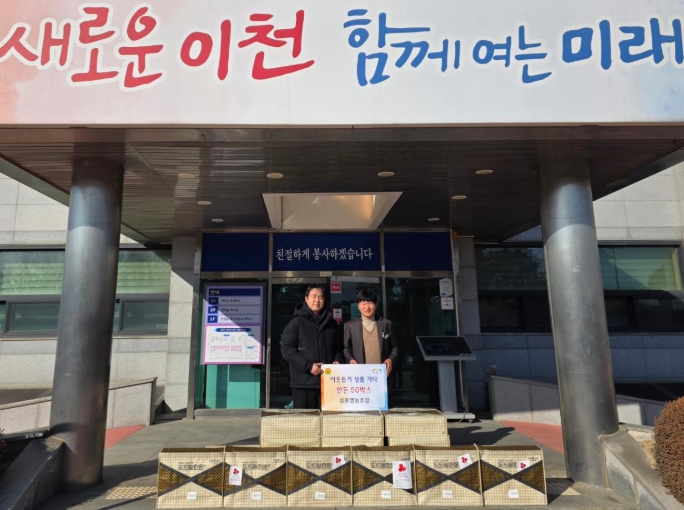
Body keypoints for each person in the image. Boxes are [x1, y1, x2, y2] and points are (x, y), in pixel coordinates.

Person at [281, 284, 344, 409]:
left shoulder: (331, 323)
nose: (317, 300)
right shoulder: (296, 322)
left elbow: (338, 346)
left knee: (328, 419)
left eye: (321, 297)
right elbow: (287, 349)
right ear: (306, 299)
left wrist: (338, 360)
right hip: (303, 383)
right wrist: (309, 366)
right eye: (314, 296)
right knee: (305, 420)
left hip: (328, 382)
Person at [343, 288, 399, 378]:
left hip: (382, 375)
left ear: (375, 305)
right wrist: (350, 360)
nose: (367, 307)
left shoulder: (386, 324)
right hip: (360, 374)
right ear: (358, 306)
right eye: (363, 303)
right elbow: (346, 348)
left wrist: (390, 359)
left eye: (370, 303)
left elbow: (395, 347)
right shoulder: (350, 326)